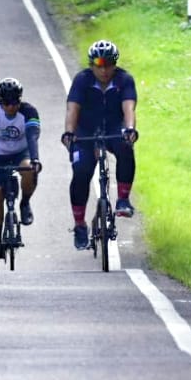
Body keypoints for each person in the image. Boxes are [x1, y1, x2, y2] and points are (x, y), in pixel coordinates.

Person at [61, 39, 138, 250]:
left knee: (125, 147)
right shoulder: (82, 80)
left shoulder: (124, 80)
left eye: (109, 64)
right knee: (81, 173)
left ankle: (123, 200)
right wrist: (69, 133)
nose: (104, 70)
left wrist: (130, 129)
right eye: (99, 65)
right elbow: (72, 109)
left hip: (113, 128)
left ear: (115, 64)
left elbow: (129, 109)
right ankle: (79, 225)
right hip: (85, 131)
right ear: (91, 65)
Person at [0, 77, 41, 260]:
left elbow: (32, 136)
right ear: (0, 101)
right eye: (6, 103)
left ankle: (25, 203)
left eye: (15, 103)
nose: (11, 107)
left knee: (29, 169)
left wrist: (35, 159)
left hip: (21, 152)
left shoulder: (29, 111)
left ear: (20, 100)